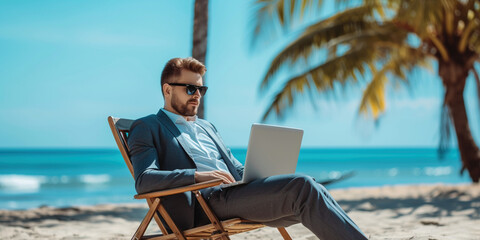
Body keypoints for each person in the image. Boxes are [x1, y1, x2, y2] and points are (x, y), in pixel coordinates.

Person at [127, 57, 368, 239]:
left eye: (201, 89)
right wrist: (199, 176)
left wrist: (261, 172)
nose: (197, 95)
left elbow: (234, 167)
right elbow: (145, 180)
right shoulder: (147, 126)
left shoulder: (207, 127)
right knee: (303, 187)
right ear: (167, 90)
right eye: (190, 89)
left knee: (310, 187)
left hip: (233, 194)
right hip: (203, 203)